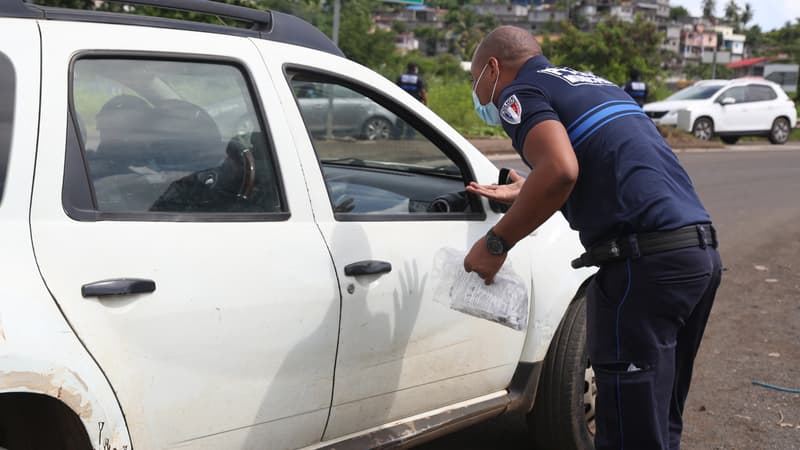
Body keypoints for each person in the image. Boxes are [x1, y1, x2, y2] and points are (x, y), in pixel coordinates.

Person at [463, 26, 722, 450]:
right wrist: (531, 187)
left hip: (645, 269)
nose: (481, 96)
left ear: (493, 68)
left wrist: (496, 243)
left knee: (627, 433)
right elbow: (615, 166)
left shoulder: (518, 94)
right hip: (698, 258)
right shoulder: (594, 85)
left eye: (476, 81)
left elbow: (562, 171)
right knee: (657, 425)